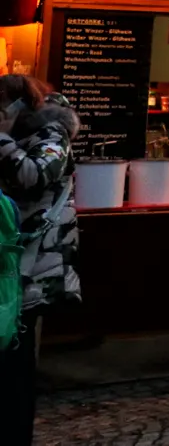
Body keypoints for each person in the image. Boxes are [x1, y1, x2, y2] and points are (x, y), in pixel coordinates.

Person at [0, 76, 80, 443]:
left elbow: (32, 175)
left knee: (16, 359)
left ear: (17, 105)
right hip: (7, 263)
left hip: (33, 268)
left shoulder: (53, 134)